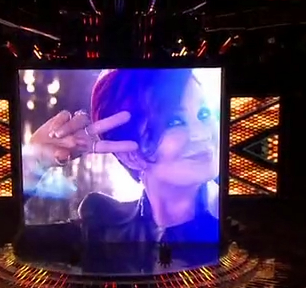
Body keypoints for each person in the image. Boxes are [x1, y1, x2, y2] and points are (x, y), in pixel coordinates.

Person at [21, 69, 221, 248]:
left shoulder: (231, 220)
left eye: (204, 113)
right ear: (131, 156)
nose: (203, 134)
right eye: (174, 122)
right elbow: (8, 245)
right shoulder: (101, 231)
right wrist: (31, 164)